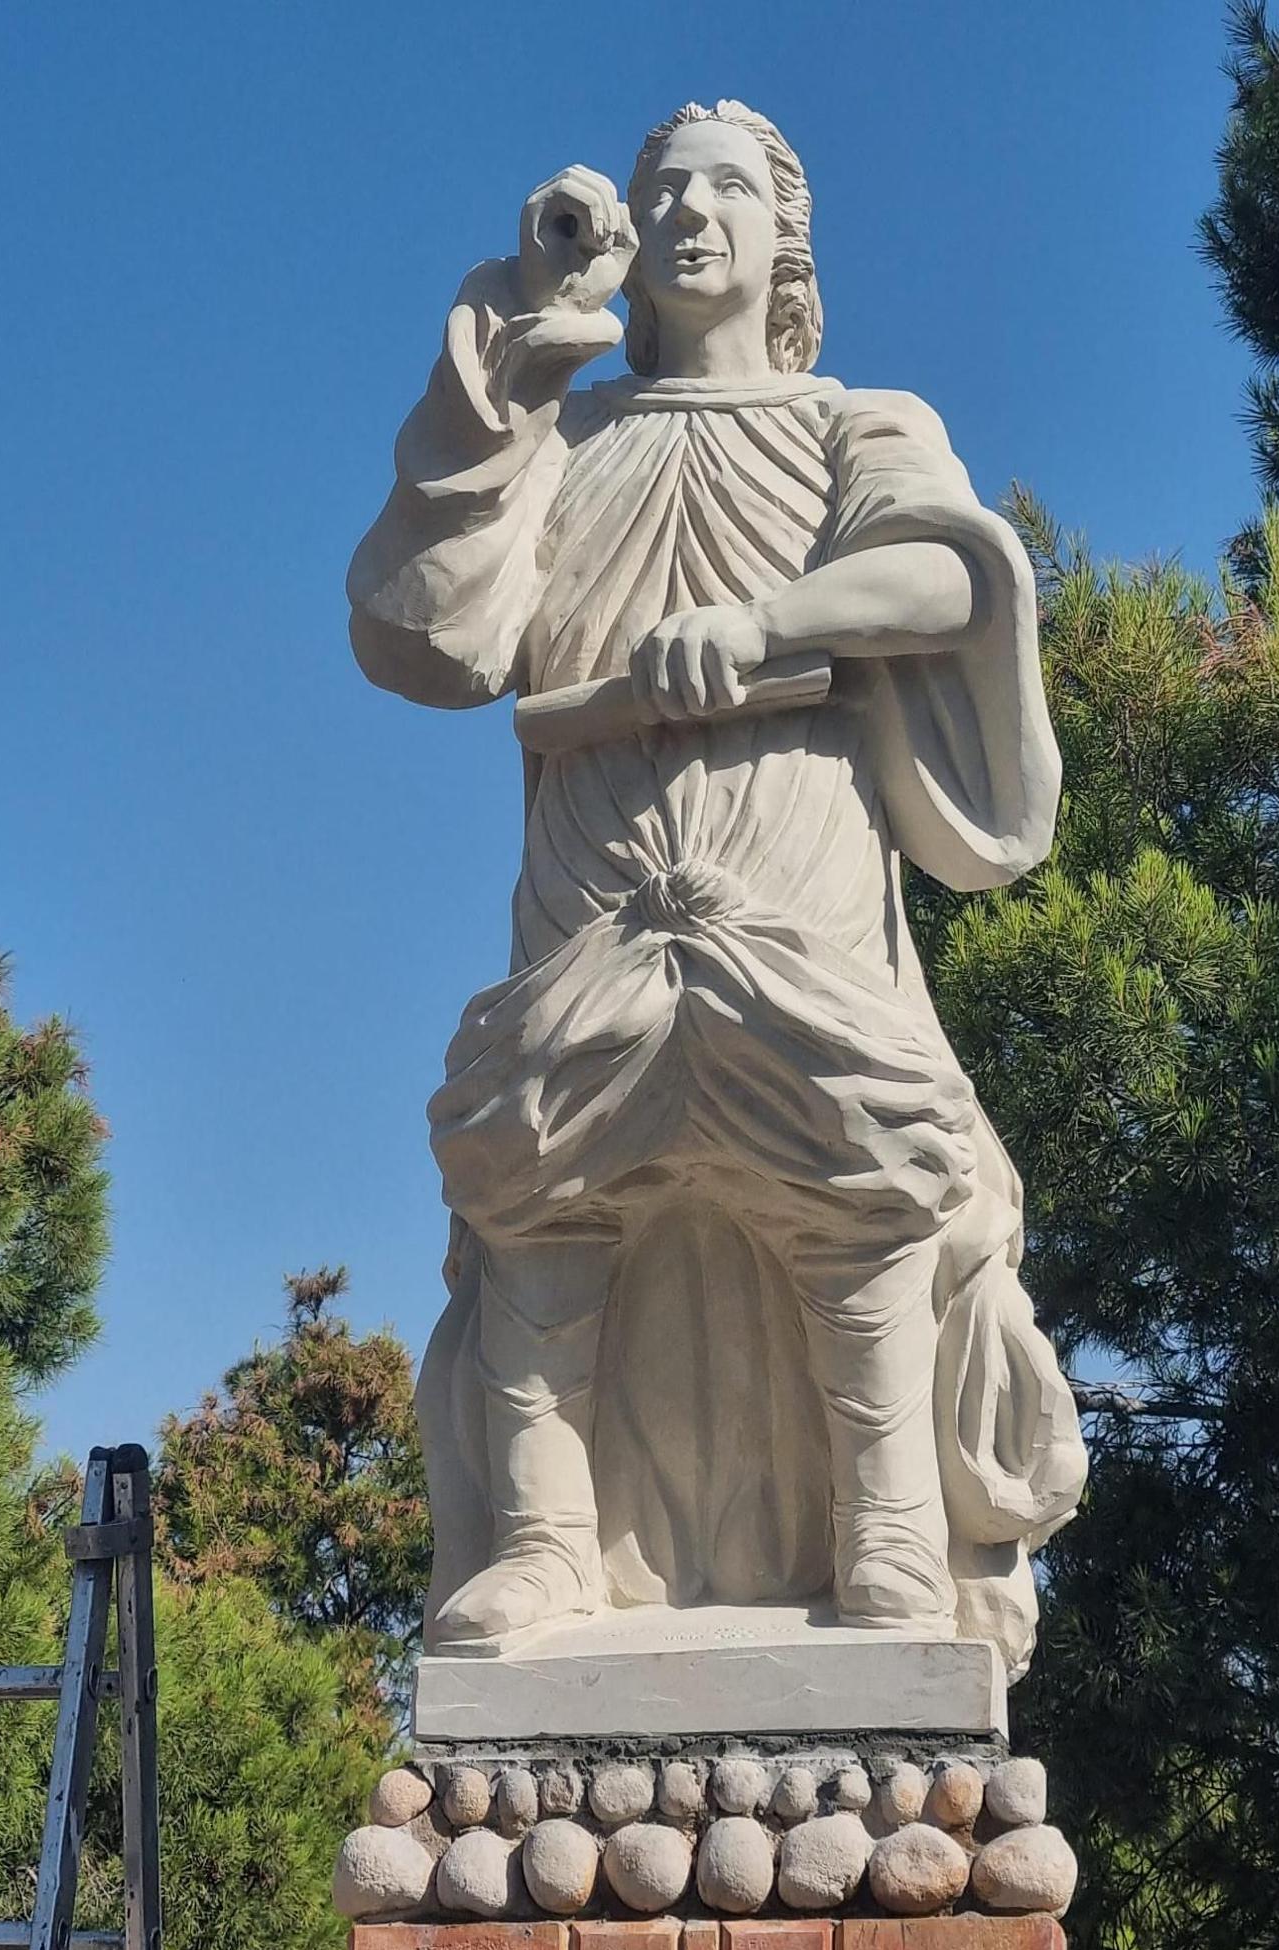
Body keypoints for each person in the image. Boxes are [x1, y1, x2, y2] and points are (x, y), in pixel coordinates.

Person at [348, 101, 1086, 1677]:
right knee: (542, 1179)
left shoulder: (850, 421)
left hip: (792, 870)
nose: (691, 210)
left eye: (727, 188)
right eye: (662, 188)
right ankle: (550, 1551)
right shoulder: (570, 443)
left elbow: (952, 573)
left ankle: (886, 1534)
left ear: (781, 236)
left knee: (854, 1176)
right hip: (595, 886)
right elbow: (432, 645)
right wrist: (518, 340)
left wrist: (761, 624)